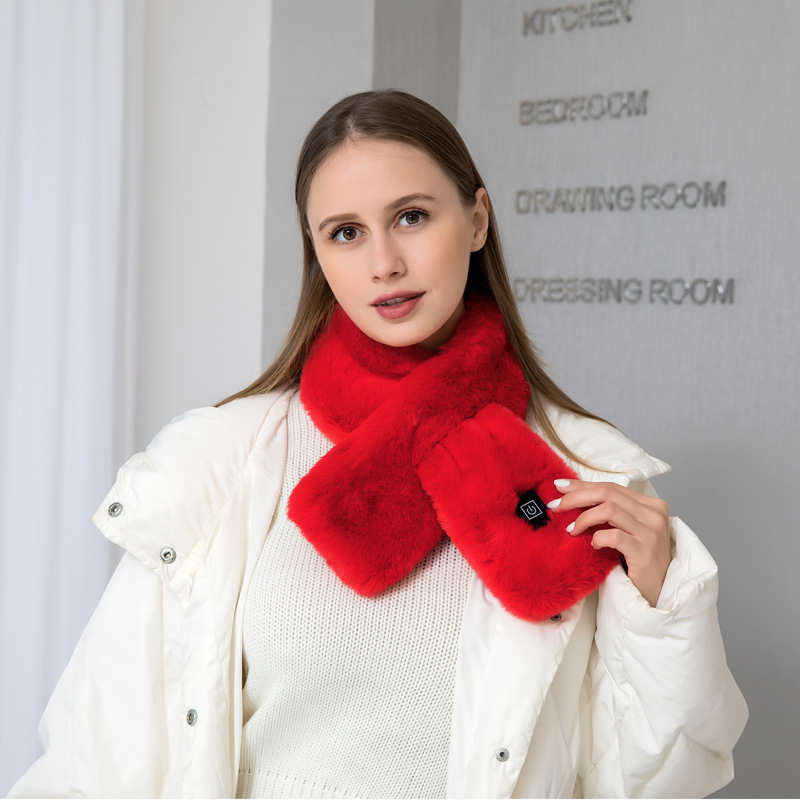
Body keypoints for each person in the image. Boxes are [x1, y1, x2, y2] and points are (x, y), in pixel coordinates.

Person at [10, 90, 747, 799]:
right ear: (317, 251)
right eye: (346, 232)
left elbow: (664, 780)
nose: (384, 263)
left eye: (412, 217)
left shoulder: (586, 475)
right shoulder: (221, 463)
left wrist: (661, 606)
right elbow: (93, 757)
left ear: (477, 219)